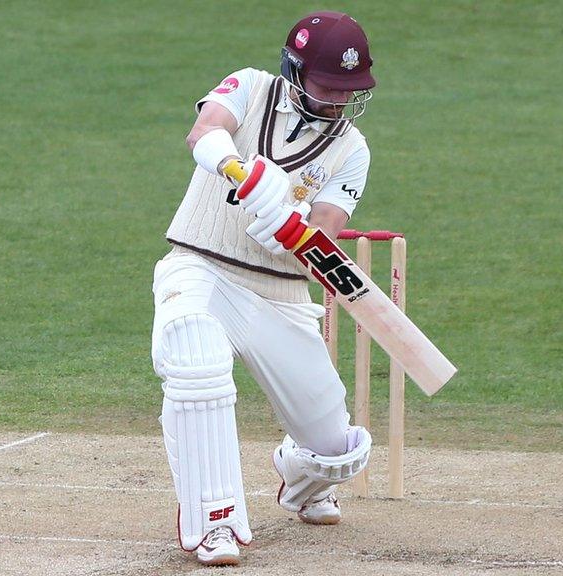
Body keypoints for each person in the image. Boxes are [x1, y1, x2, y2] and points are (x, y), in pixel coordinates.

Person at [150, 11, 376, 566]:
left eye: (349, 91)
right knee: (196, 361)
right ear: (293, 69)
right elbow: (204, 132)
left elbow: (323, 230)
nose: (336, 101)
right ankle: (214, 523)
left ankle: (301, 477)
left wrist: (287, 225)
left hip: (280, 294)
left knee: (335, 449)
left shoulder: (353, 150)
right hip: (200, 269)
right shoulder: (251, 87)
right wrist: (242, 173)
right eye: (328, 87)